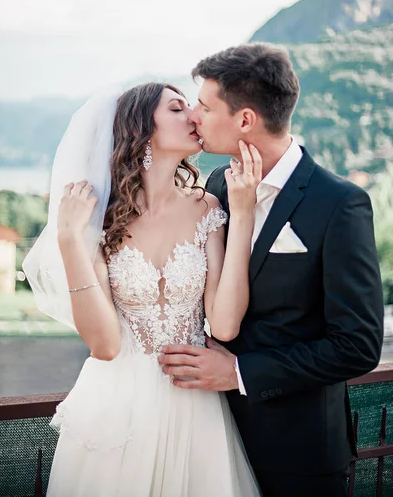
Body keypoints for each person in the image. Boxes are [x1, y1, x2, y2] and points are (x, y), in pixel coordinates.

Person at [159, 44, 384, 497]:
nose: (195, 116)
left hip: (299, 454)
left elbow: (357, 347)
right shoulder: (218, 185)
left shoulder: (338, 204)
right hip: (209, 437)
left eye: (205, 105)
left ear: (244, 120)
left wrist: (240, 372)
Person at [23, 82, 263, 497]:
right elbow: (105, 345)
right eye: (176, 108)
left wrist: (241, 215)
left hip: (194, 404)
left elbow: (223, 326)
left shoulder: (207, 208)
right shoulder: (100, 221)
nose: (192, 116)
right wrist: (69, 240)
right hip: (117, 408)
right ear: (140, 129)